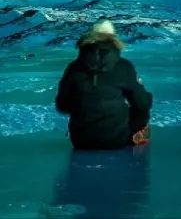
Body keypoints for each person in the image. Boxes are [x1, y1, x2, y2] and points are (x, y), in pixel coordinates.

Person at [55, 19, 153, 150]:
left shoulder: (74, 67)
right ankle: (136, 135)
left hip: (80, 140)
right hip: (117, 139)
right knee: (140, 106)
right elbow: (143, 103)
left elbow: (62, 105)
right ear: (113, 40)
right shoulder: (124, 66)